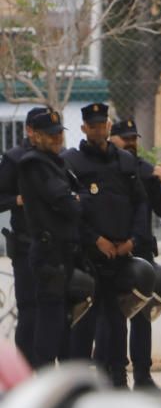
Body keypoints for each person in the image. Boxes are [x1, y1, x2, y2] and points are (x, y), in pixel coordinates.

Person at [63, 102, 147, 388]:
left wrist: (133, 240)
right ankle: (81, 383)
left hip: (121, 254)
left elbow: (140, 203)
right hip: (89, 255)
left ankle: (117, 375)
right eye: (94, 125)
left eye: (104, 124)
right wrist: (95, 240)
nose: (100, 129)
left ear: (110, 126)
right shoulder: (72, 163)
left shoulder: (124, 161)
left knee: (116, 319)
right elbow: (71, 211)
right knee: (84, 322)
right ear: (84, 128)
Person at [17, 108, 81, 367]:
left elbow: (76, 199)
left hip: (65, 251)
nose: (57, 139)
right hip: (48, 252)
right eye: (51, 135)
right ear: (37, 135)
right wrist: (75, 200)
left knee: (66, 320)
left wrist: (75, 199)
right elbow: (68, 204)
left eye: (59, 134)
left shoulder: (57, 163)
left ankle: (64, 378)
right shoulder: (34, 164)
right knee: (50, 321)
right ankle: (43, 377)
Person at [109, 118, 161, 389]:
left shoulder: (146, 172)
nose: (131, 142)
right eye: (126, 138)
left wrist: (159, 182)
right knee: (114, 316)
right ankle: (115, 374)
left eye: (134, 138)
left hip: (142, 252)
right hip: (113, 252)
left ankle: (142, 375)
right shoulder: (107, 169)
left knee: (142, 316)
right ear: (112, 139)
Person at [0, 107, 47, 366]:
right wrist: (17, 199)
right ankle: (25, 369)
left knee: (52, 312)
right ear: (29, 131)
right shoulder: (14, 158)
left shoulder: (57, 157)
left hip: (55, 246)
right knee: (29, 310)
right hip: (26, 245)